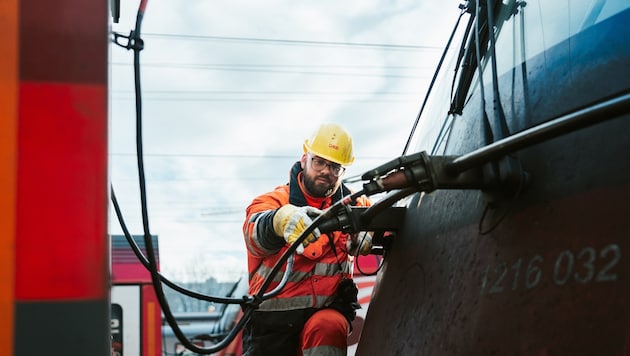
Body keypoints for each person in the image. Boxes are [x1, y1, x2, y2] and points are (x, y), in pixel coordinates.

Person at [242, 123, 372, 355]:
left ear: (342, 172)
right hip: (271, 325)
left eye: (334, 167)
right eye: (319, 161)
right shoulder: (273, 201)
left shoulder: (354, 205)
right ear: (304, 160)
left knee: (328, 326)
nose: (325, 171)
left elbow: (384, 224)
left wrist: (370, 233)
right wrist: (278, 221)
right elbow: (254, 235)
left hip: (326, 314)